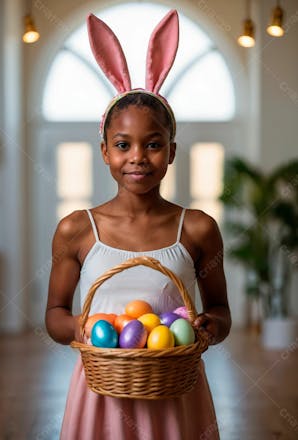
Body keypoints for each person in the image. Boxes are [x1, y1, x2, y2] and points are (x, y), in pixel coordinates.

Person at [45, 9, 231, 440]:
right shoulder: (77, 229)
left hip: (175, 392)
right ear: (105, 151)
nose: (137, 157)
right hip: (101, 395)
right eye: (123, 145)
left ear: (171, 152)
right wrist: (81, 327)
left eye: (153, 145)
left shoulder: (198, 228)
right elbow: (54, 315)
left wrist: (210, 327)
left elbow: (221, 311)